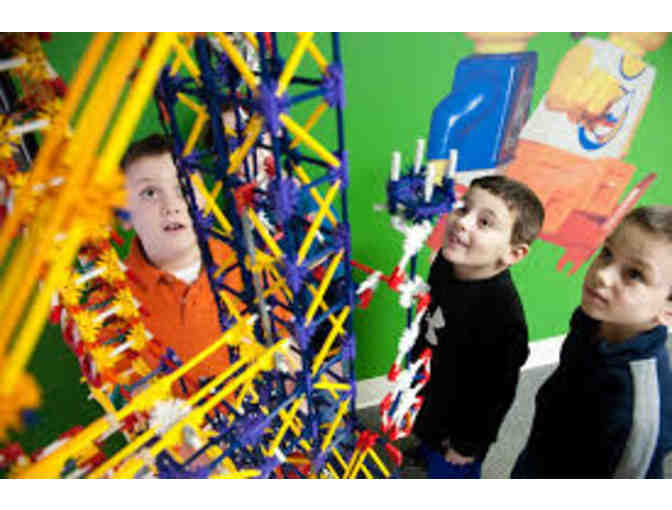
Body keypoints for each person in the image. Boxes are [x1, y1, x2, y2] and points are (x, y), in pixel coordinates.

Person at [512, 205, 672, 478]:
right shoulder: (591, 319)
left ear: (668, 310)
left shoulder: (639, 414)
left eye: (635, 274)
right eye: (607, 253)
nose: (602, 275)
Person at [408, 175, 545, 478]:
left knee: (449, 471)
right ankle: (426, 448)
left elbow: (493, 397)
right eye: (463, 208)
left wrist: (467, 444)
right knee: (428, 432)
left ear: (513, 253)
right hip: (432, 384)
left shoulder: (503, 320)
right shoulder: (445, 264)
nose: (462, 222)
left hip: (462, 422)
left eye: (484, 222)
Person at [121, 133, 243, 396]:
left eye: (184, 187)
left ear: (205, 198)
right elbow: (127, 394)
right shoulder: (114, 298)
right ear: (123, 213)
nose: (172, 206)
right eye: (150, 193)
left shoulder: (245, 265)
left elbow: (285, 346)